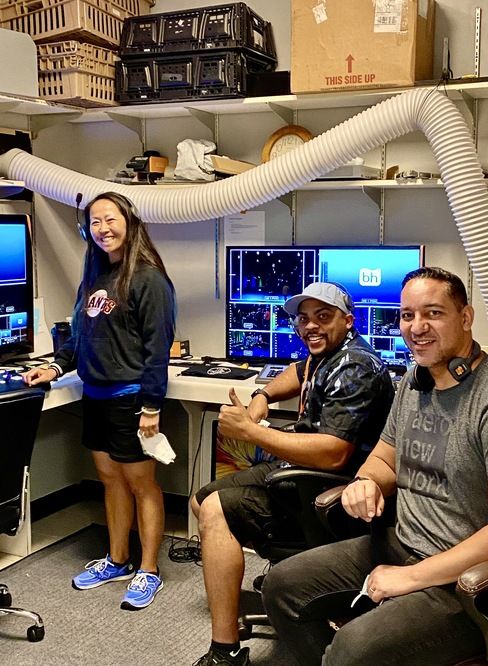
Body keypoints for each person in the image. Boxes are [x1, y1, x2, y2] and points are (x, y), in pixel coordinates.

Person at [262, 266, 488, 666]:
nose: (417, 327)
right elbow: (384, 457)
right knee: (282, 586)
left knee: (352, 648)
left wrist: (409, 577)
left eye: (433, 313)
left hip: (460, 581)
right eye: (407, 315)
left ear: (466, 317)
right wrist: (367, 480)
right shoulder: (416, 381)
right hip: (401, 543)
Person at [192, 281, 395, 666]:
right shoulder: (327, 354)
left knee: (214, 509)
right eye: (303, 319)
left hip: (329, 487)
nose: (310, 326)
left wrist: (251, 432)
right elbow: (298, 371)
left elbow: (334, 454)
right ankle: (292, 572)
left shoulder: (354, 367)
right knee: (200, 501)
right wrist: (263, 396)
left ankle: (225, 651)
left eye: (323, 316)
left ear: (348, 320)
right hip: (299, 471)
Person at [23, 192, 176, 611]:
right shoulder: (94, 278)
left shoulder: (148, 279)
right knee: (110, 480)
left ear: (129, 222)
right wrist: (54, 367)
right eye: (95, 222)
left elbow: (157, 350)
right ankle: (118, 559)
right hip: (95, 397)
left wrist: (151, 407)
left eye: (110, 219)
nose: (103, 229)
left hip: (131, 401)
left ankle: (149, 570)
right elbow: (79, 338)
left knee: (142, 485)